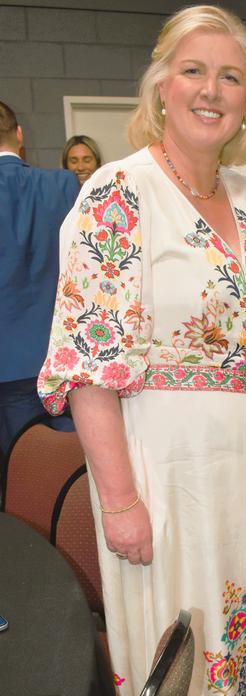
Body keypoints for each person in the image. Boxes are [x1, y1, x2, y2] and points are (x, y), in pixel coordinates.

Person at [38, 5, 246, 696]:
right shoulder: (117, 191)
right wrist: (118, 499)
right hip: (167, 461)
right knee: (185, 624)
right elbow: (86, 362)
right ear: (160, 82)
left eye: (232, 76)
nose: (211, 89)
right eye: (195, 69)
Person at [0, 101, 78, 457]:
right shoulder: (63, 186)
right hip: (64, 355)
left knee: (18, 475)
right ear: (19, 134)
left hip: (7, 368)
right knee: (76, 464)